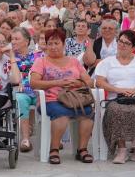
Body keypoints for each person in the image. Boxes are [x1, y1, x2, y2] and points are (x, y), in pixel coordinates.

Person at [30, 29, 94, 164]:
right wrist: (58, 82)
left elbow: (89, 81)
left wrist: (77, 83)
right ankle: (54, 149)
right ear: (46, 45)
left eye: (56, 43)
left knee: (87, 112)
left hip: (74, 99)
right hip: (50, 99)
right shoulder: (41, 61)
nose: (53, 47)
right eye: (50, 43)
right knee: (61, 114)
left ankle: (82, 149)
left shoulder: (74, 61)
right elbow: (34, 83)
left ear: (63, 44)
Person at [95, 30, 135, 164]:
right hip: (116, 98)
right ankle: (121, 149)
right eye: (120, 41)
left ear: (133, 47)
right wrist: (118, 89)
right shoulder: (108, 62)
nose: (122, 45)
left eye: (126, 43)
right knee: (116, 111)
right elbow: (99, 81)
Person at [10, 27, 39, 152]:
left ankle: (52, 138)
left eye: (17, 39)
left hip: (38, 90)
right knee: (21, 99)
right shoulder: (9, 57)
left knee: (50, 98)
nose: (13, 42)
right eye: (12, 39)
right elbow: (10, 78)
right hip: (21, 90)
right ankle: (25, 139)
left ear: (26, 41)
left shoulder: (38, 55)